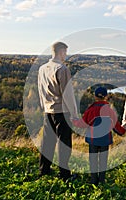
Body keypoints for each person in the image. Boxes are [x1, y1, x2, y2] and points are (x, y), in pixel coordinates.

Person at [37, 41, 78, 180]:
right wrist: (74, 113)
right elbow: (67, 94)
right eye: (65, 52)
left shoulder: (42, 68)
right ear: (61, 52)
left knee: (47, 142)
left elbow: (40, 90)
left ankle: (44, 171)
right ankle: (64, 175)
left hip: (48, 110)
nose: (66, 55)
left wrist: (44, 106)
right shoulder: (62, 69)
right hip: (62, 111)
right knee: (64, 143)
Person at [72, 86, 126, 185]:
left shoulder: (91, 110)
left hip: (93, 140)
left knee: (93, 160)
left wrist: (73, 121)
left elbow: (83, 124)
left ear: (95, 97)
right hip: (105, 140)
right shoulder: (109, 111)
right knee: (103, 161)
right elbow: (116, 126)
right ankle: (102, 181)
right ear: (105, 97)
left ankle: (93, 181)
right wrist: (123, 131)